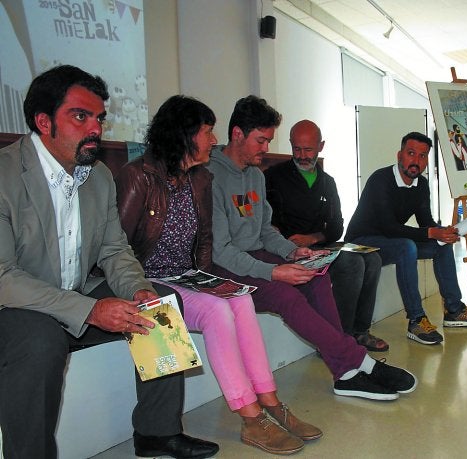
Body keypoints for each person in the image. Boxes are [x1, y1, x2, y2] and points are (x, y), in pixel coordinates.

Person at [0, 65, 219, 459]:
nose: (95, 129)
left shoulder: (98, 175)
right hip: (18, 306)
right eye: (80, 116)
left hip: (75, 290)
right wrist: (90, 310)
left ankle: (156, 432)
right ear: (43, 121)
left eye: (99, 118)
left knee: (162, 304)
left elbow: (114, 250)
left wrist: (139, 290)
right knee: (40, 342)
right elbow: (3, 277)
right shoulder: (5, 174)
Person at [115, 95, 321, 456]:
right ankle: (250, 416)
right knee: (217, 311)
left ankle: (271, 402)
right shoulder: (136, 177)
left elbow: (206, 240)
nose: (214, 140)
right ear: (183, 135)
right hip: (146, 280)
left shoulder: (200, 178)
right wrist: (136, 286)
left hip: (186, 276)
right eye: (207, 132)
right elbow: (117, 245)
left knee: (239, 298)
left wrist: (212, 280)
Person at [206, 95, 417, 402]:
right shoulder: (210, 177)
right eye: (261, 140)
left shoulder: (254, 175)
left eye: (269, 141)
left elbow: (265, 231)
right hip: (226, 267)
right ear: (238, 134)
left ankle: (345, 373)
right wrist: (274, 271)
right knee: (286, 295)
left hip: (258, 257)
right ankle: (359, 362)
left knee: (316, 276)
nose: (266, 148)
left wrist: (291, 253)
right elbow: (222, 251)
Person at [345, 131, 467, 346]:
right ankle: (416, 320)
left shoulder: (421, 184)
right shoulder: (380, 180)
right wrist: (431, 233)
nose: (416, 161)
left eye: (423, 156)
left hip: (389, 241)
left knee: (441, 246)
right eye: (411, 153)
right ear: (399, 155)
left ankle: (454, 310)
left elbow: (425, 221)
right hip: (361, 242)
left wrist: (445, 232)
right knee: (407, 247)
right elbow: (388, 227)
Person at [264, 119, 388, 352]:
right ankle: (338, 339)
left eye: (308, 149)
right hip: (290, 250)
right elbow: (266, 223)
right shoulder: (273, 177)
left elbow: (337, 227)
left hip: (320, 246)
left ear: (321, 146)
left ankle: (360, 331)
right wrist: (290, 241)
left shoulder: (327, 182)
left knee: (373, 259)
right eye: (297, 149)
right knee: (352, 264)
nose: (302, 156)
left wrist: (312, 238)